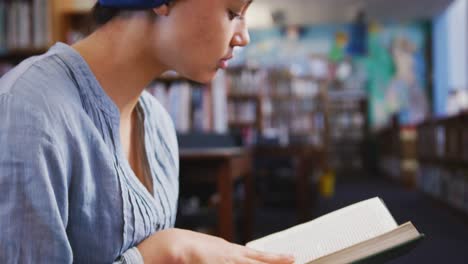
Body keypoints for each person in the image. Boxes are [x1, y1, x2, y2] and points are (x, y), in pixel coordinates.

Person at [0, 0, 295, 263]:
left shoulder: (158, 124)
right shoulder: (26, 111)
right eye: (232, 13)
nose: (244, 37)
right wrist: (164, 254)